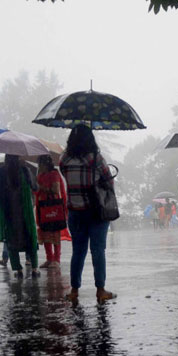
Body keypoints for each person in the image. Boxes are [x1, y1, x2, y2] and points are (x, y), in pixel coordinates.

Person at [59, 124, 116, 302]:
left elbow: (66, 177)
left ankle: (74, 291)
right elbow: (108, 181)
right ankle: (100, 290)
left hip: (75, 213)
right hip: (96, 212)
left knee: (78, 251)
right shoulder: (96, 159)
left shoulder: (64, 159)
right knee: (98, 250)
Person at [0, 155, 39, 278]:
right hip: (25, 213)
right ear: (18, 157)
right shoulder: (24, 170)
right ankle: (35, 269)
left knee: (11, 240)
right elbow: (35, 186)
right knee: (30, 238)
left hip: (9, 214)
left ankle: (18, 270)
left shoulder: (0, 172)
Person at [35, 155, 67, 269]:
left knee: (54, 233)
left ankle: (56, 259)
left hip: (53, 207)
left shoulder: (54, 174)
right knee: (45, 233)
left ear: (45, 164)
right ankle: (49, 258)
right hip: (42, 207)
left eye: (40, 164)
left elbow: (55, 190)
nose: (39, 167)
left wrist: (40, 187)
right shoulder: (40, 175)